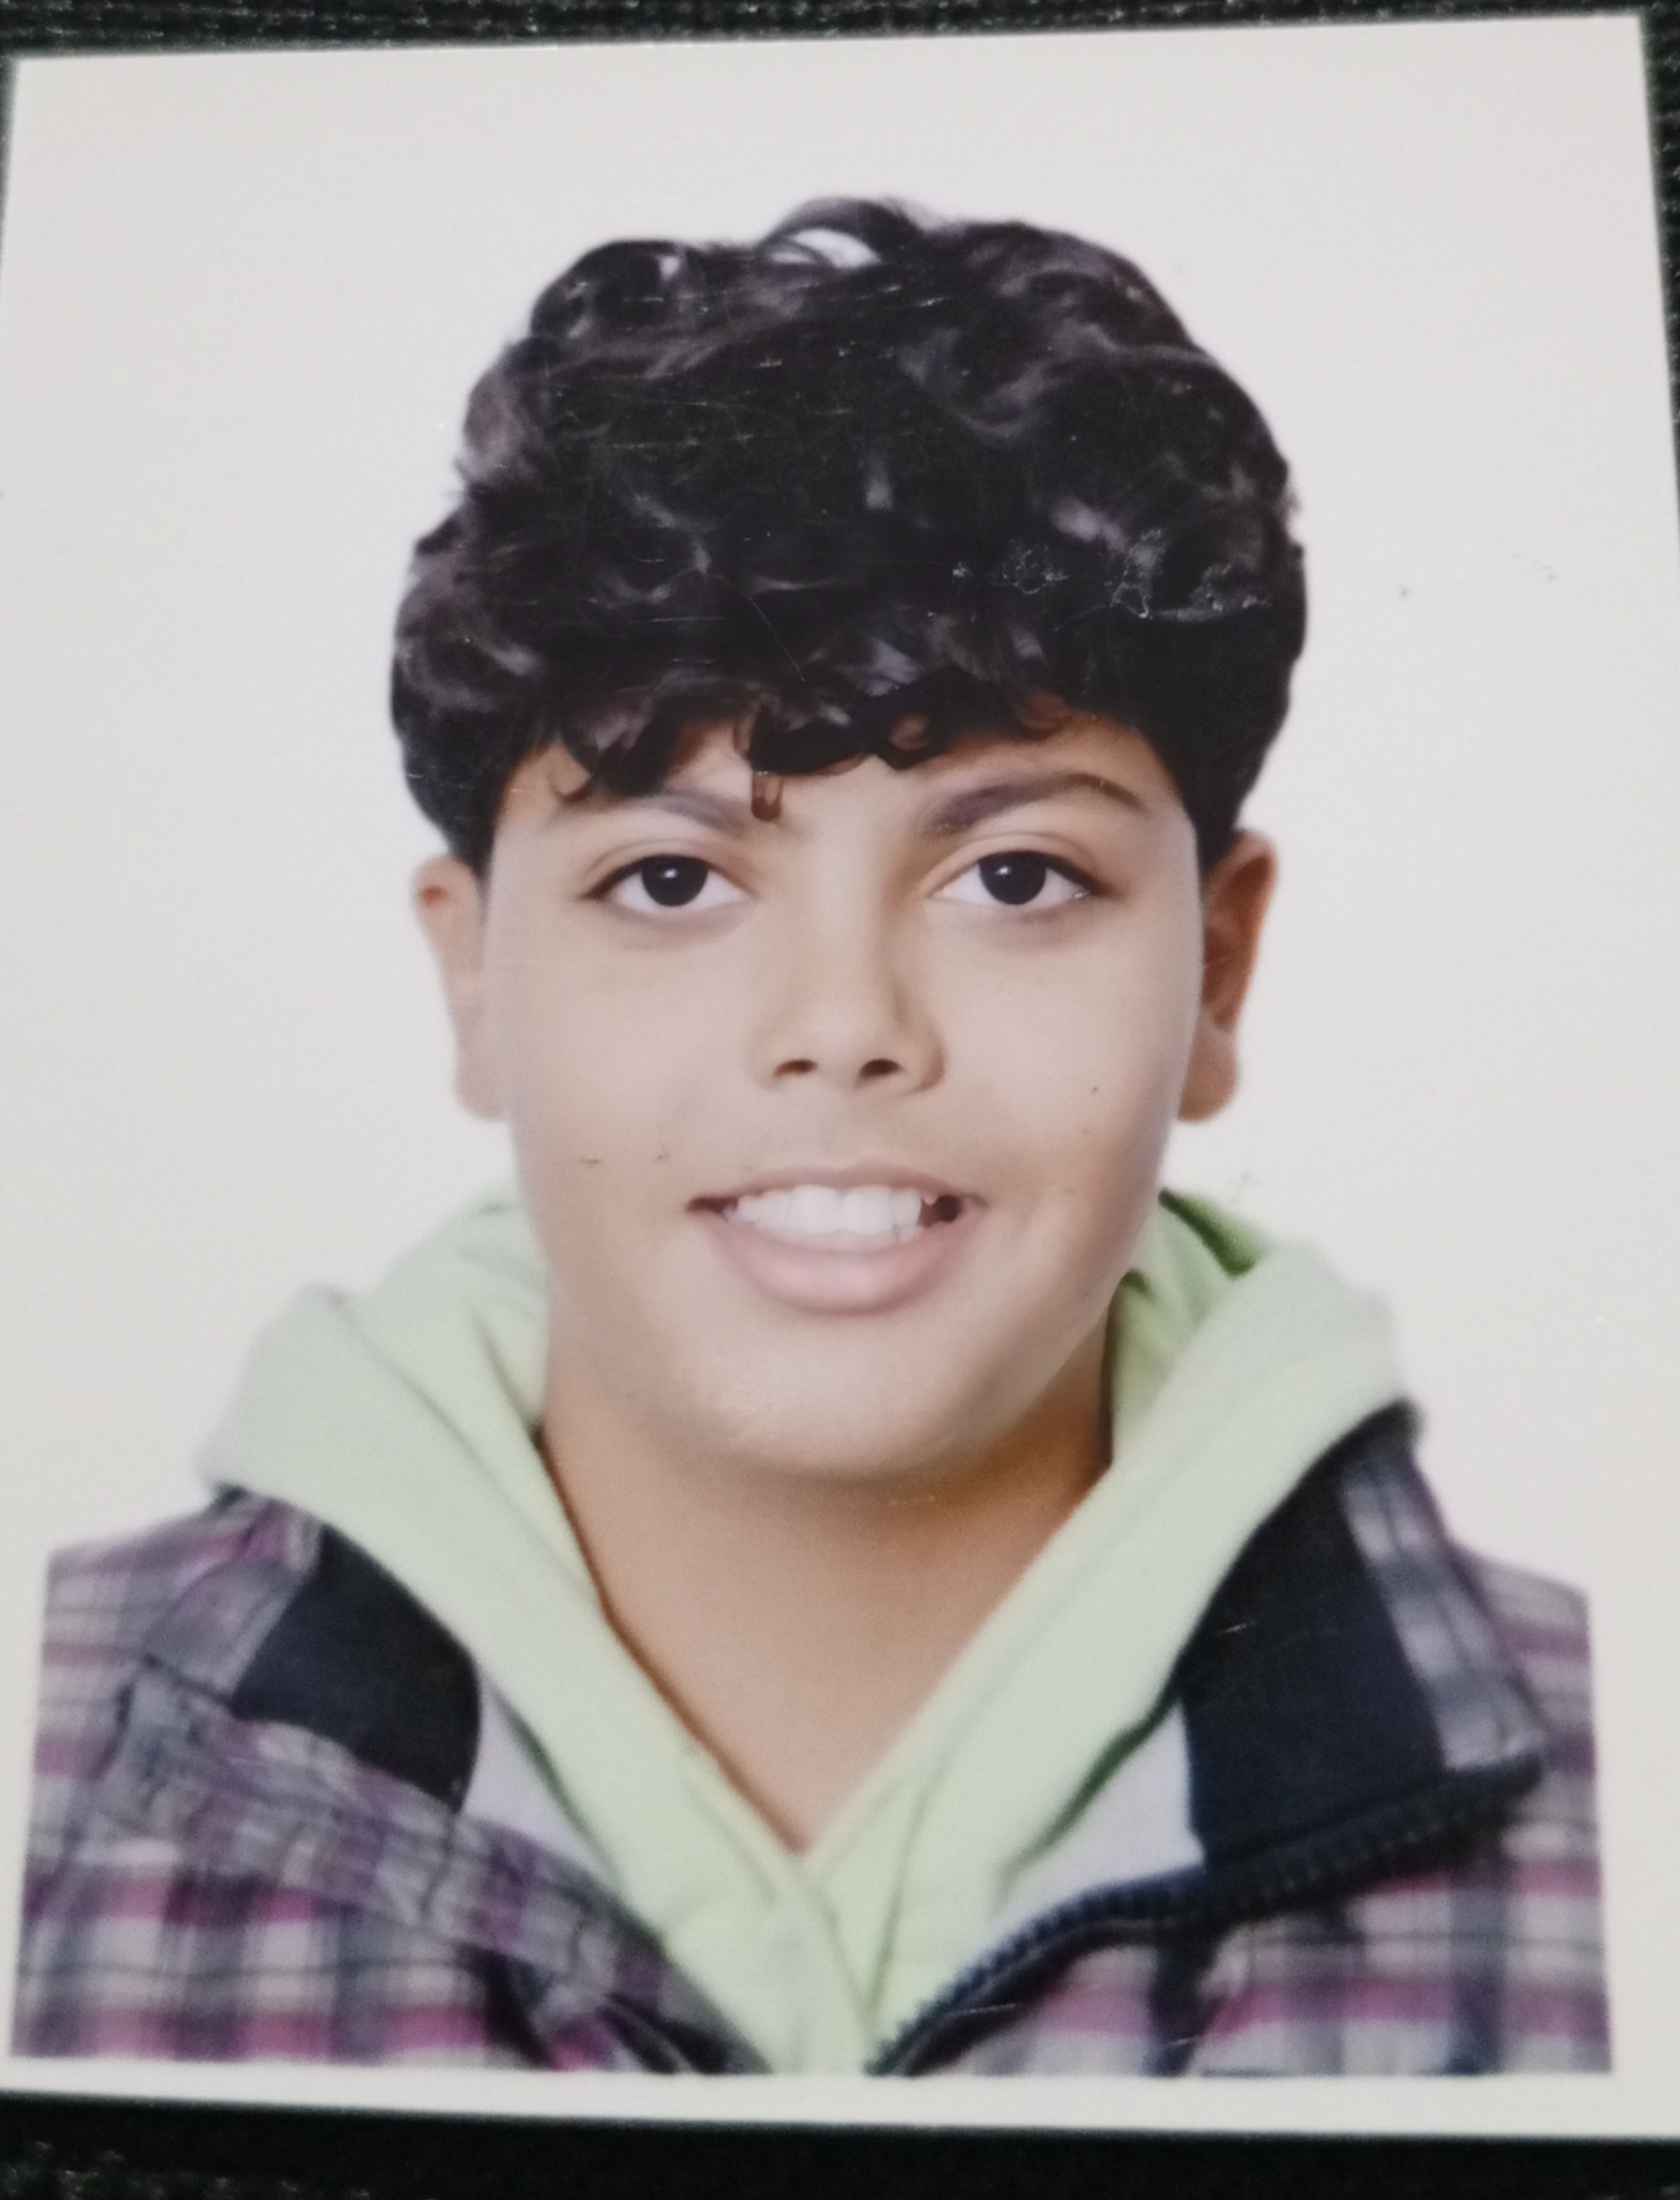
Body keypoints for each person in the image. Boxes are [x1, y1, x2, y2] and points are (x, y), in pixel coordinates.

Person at [14, 200, 1606, 2075]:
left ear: (1218, 971)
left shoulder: (1608, 1805)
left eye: (1015, 875)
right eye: (671, 878)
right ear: (473, 979)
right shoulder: (54, 1750)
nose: (843, 1025)